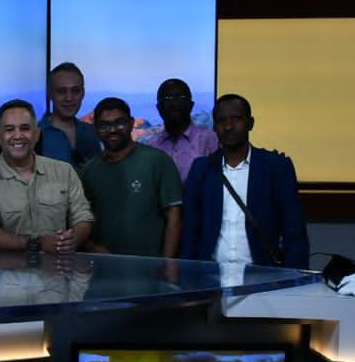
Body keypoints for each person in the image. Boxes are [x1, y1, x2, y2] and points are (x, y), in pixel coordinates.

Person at [181, 94, 310, 269]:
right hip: (210, 278)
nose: (228, 126)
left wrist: (296, 281)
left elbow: (294, 233)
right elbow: (190, 232)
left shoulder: (276, 167)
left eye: (236, 119)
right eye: (221, 121)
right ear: (214, 127)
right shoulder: (201, 169)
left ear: (250, 123)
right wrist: (188, 279)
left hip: (262, 277)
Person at [0, 99, 94, 254]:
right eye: (9, 129)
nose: (18, 136)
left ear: (37, 134)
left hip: (57, 274)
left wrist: (70, 241)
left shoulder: (64, 171)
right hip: (8, 275)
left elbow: (83, 218)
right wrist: (36, 244)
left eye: (25, 128)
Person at [80, 97, 183, 258]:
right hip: (103, 270)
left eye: (119, 123)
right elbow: (80, 219)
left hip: (150, 271)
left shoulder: (157, 161)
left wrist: (167, 264)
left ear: (131, 123)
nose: (112, 130)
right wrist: (90, 247)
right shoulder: (89, 170)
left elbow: (174, 216)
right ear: (95, 129)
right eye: (104, 125)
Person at [141, 77, 219, 182]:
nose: (175, 103)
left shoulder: (210, 140)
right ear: (159, 108)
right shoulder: (151, 146)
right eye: (168, 98)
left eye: (181, 97)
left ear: (191, 105)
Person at [38, 62, 101, 169]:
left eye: (75, 91)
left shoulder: (91, 133)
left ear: (83, 93)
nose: (69, 98)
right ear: (49, 94)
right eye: (62, 91)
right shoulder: (37, 136)